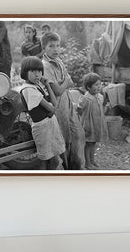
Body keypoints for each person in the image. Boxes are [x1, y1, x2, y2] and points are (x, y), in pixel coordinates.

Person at [42, 32, 85, 170]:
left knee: (78, 134)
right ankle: (67, 169)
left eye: (58, 46)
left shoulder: (59, 61)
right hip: (58, 106)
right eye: (51, 46)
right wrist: (64, 82)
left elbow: (71, 82)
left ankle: (77, 166)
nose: (56, 49)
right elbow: (58, 91)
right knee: (63, 138)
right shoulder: (45, 66)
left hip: (68, 102)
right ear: (44, 48)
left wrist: (63, 83)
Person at [19, 57, 65, 170]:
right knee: (48, 160)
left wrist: (48, 85)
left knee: (50, 158)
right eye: (33, 71)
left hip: (49, 125)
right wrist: (53, 108)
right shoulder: (28, 89)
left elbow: (54, 102)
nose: (37, 75)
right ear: (25, 72)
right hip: (43, 128)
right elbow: (52, 108)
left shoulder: (37, 86)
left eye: (39, 71)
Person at [77, 73, 108, 169]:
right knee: (88, 144)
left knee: (94, 143)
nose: (99, 87)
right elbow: (79, 109)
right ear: (88, 87)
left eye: (100, 84)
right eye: (96, 85)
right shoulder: (85, 99)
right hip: (89, 125)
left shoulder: (100, 97)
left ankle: (92, 160)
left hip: (97, 124)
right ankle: (87, 162)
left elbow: (101, 109)